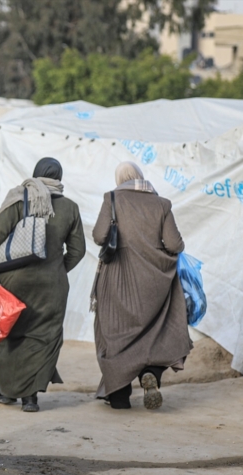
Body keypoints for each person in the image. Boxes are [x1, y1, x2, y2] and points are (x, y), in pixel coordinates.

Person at [0, 158, 86, 413]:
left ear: (35, 174)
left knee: (9, 333)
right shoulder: (70, 207)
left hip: (15, 280)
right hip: (52, 285)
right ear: (59, 177)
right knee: (44, 336)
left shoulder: (20, 198)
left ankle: (7, 390)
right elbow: (78, 251)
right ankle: (30, 398)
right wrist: (57, 269)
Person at [92, 162, 192, 410]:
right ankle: (151, 374)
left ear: (120, 179)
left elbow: (99, 236)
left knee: (115, 334)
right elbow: (174, 244)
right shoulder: (162, 204)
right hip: (154, 281)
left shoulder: (112, 198)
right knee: (157, 331)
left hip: (118, 279)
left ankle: (118, 396)